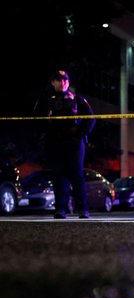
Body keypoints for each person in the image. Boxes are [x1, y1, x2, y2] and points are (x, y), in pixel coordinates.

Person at [33, 70, 95, 219]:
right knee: (58, 175)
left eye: (65, 80)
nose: (63, 83)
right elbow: (36, 119)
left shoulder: (77, 99)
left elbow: (91, 118)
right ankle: (61, 209)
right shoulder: (45, 100)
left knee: (76, 175)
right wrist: (46, 133)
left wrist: (79, 134)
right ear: (52, 82)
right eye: (59, 80)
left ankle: (83, 209)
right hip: (55, 142)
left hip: (74, 142)